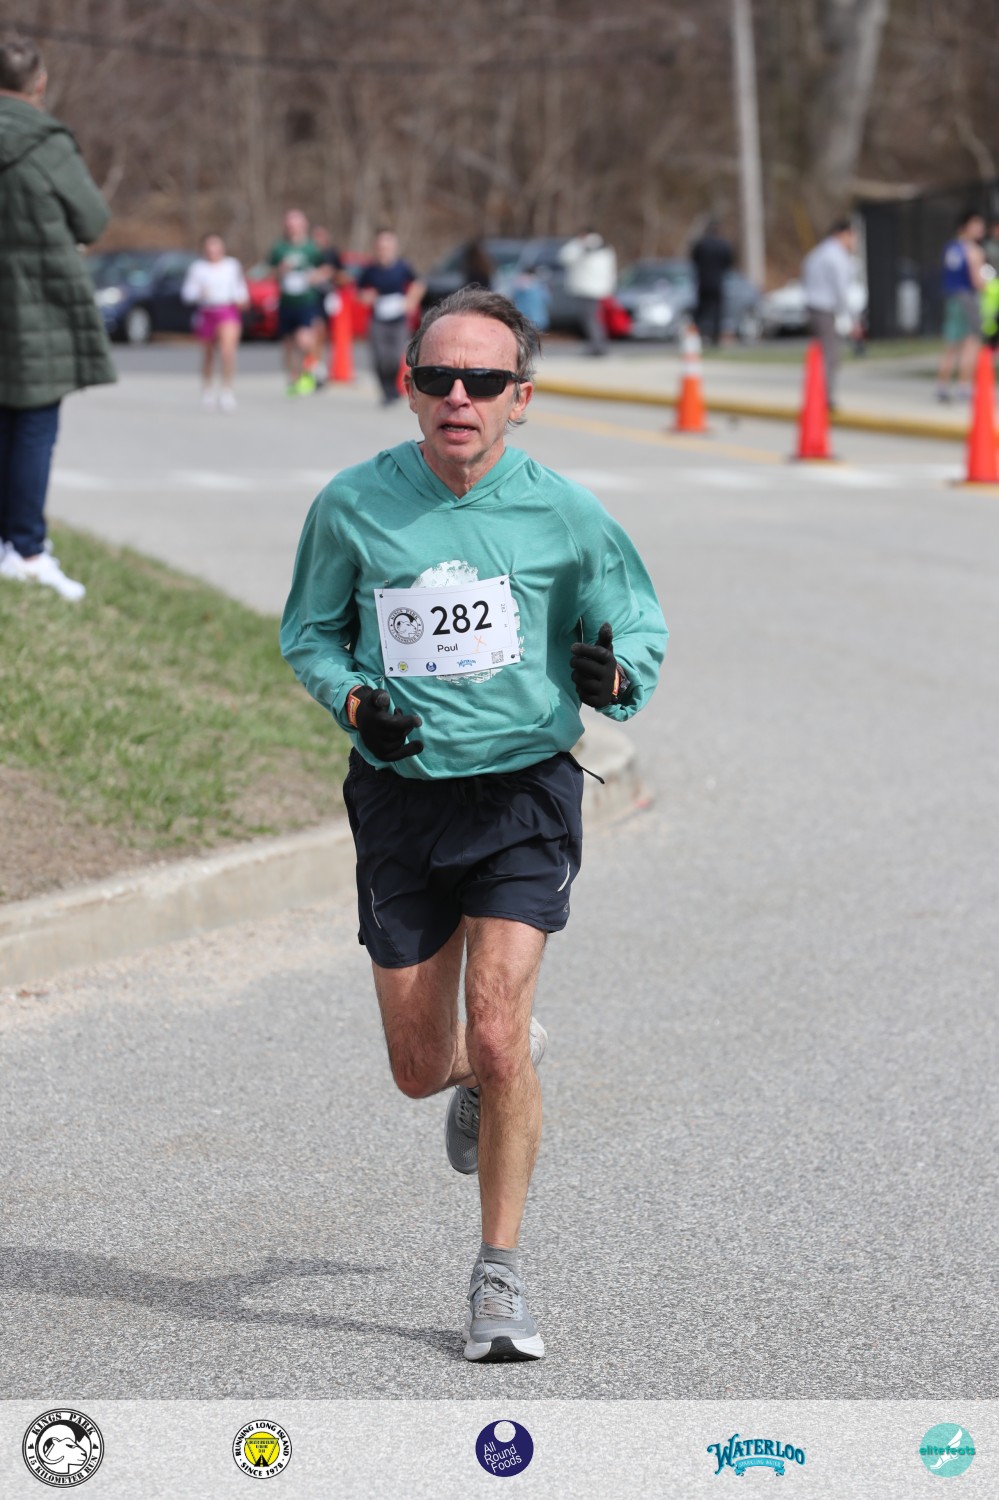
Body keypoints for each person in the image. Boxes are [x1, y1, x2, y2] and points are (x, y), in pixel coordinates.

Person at [281, 287, 667, 1362]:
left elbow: (635, 624)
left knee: (492, 1032)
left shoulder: (566, 515)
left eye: (485, 380)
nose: (461, 396)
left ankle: (498, 1275)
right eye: (439, 378)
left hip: (522, 794)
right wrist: (355, 701)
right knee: (421, 1066)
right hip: (401, 799)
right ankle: (495, 1069)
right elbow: (308, 632)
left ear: (520, 398)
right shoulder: (353, 505)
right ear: (408, 389)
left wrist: (615, 674)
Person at [0, 34, 115, 603]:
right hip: (34, 304)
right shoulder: (46, 143)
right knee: (33, 425)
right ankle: (25, 550)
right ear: (39, 83)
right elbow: (92, 219)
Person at [181, 233, 249, 413]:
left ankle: (227, 390)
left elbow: (239, 288)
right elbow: (187, 294)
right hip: (206, 311)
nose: (213, 250)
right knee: (209, 354)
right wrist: (199, 292)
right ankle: (207, 389)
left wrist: (242, 299)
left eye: (216, 245)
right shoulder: (198, 268)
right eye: (209, 246)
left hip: (227, 310)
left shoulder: (232, 265)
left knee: (227, 352)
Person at [357, 228, 425, 404]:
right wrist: (366, 297)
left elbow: (419, 284)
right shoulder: (370, 270)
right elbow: (359, 291)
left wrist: (411, 301)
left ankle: (392, 388)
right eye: (380, 247)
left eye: (387, 246)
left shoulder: (402, 267)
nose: (383, 250)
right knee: (380, 357)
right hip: (378, 319)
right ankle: (386, 390)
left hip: (398, 319)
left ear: (394, 247)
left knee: (394, 357)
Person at [801, 217, 859, 409]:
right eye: (852, 236)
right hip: (825, 309)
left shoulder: (818, 253)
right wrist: (851, 318)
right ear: (843, 234)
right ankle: (825, 396)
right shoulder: (837, 256)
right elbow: (841, 290)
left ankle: (816, 393)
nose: (854, 241)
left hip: (812, 307)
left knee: (818, 354)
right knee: (830, 354)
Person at [267, 209, 325, 396]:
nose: (292, 228)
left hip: (306, 301)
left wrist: (316, 276)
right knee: (288, 344)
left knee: (304, 339)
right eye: (289, 225)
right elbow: (269, 272)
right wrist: (281, 270)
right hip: (286, 302)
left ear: (303, 226)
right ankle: (294, 378)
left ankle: (312, 369)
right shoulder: (279, 248)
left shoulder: (312, 248)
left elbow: (327, 268)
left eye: (296, 225)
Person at [936, 209, 985, 402]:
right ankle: (964, 387)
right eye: (976, 224)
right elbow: (977, 281)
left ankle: (942, 386)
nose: (980, 228)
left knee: (951, 345)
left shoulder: (950, 248)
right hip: (968, 298)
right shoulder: (973, 250)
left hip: (951, 297)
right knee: (971, 342)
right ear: (965, 226)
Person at [558, 229, 617, 355]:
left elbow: (564, 257)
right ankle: (599, 345)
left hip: (586, 289)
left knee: (589, 319)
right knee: (595, 318)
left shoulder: (582, 246)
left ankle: (597, 346)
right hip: (600, 289)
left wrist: (577, 243)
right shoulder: (605, 248)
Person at [309, 225, 347, 386]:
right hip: (312, 299)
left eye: (321, 236)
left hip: (329, 299)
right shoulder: (308, 254)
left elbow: (344, 276)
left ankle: (325, 367)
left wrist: (331, 273)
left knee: (326, 335)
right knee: (315, 332)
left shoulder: (331, 253)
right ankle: (316, 367)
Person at [690, 220, 734, 348]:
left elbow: (694, 259)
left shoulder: (701, 244)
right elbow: (728, 263)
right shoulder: (723, 245)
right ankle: (715, 337)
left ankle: (699, 335)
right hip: (717, 282)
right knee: (717, 311)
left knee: (701, 310)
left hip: (703, 281)